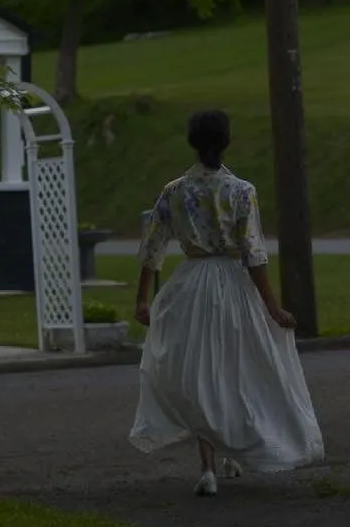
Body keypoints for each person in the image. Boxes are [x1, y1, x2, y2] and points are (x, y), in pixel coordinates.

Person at [128, 109, 324, 495]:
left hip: (189, 286)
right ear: (226, 141)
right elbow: (253, 254)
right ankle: (235, 448)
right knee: (235, 368)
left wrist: (142, 298)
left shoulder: (174, 190)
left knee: (202, 372)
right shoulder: (240, 191)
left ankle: (208, 468)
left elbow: (152, 248)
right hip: (233, 284)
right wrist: (272, 307)